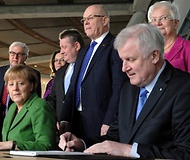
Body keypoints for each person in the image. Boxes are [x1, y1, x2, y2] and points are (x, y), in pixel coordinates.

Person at [59, 23, 190, 159]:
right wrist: (82, 143)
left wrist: (130, 151)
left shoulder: (184, 88)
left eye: (130, 59)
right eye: (122, 60)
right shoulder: (128, 89)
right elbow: (114, 137)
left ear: (154, 56)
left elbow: (186, 153)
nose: (124, 68)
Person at [59, 4, 127, 139]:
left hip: (100, 121)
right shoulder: (83, 52)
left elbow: (119, 88)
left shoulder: (115, 47)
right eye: (84, 20)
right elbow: (73, 86)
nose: (86, 23)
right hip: (76, 121)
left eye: (90, 18)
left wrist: (109, 121)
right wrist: (64, 118)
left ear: (105, 20)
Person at [0, 64, 57, 151]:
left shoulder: (40, 106)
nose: (15, 88)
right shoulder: (12, 108)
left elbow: (46, 145)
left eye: (21, 83)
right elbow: (6, 142)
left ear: (31, 86)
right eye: (11, 84)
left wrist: (11, 145)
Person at [0, 41, 42, 116]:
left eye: (19, 54)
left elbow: (35, 98)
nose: (15, 57)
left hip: (19, 116)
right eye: (12, 53)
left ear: (26, 57)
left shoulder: (33, 73)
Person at [47, 29, 85, 123]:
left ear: (76, 46)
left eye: (64, 47)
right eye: (61, 48)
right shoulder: (60, 73)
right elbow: (53, 98)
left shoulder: (88, 68)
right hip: (62, 126)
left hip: (86, 124)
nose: (62, 52)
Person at [148, 1, 190, 72]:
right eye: (154, 20)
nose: (158, 23)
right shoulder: (147, 50)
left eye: (163, 18)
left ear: (176, 23)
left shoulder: (187, 47)